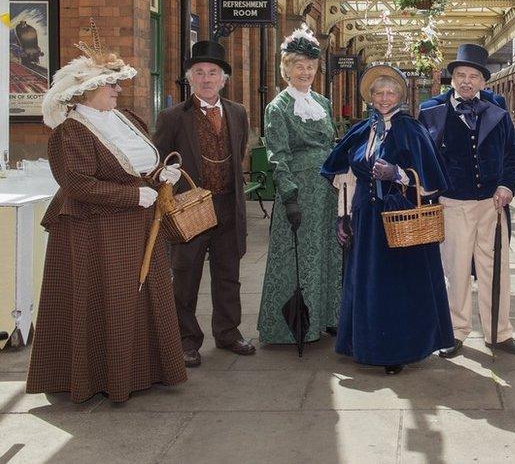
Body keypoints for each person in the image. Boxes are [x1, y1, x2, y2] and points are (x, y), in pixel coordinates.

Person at [27, 23, 186, 402]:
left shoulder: (125, 118)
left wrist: (160, 175)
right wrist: (135, 198)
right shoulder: (71, 131)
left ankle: (143, 370)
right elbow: (78, 183)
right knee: (109, 299)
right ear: (86, 91)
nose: (118, 89)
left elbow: (136, 165)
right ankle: (101, 377)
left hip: (137, 226)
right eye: (110, 84)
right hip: (94, 231)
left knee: (140, 297)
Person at [321, 65, 454, 375]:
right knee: (366, 284)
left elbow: (432, 178)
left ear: (400, 96)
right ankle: (365, 344)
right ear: (370, 96)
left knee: (398, 287)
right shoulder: (361, 129)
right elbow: (346, 176)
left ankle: (398, 350)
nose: (383, 98)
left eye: (390, 92)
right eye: (378, 92)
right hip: (367, 220)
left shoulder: (411, 129)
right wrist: (344, 218)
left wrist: (398, 174)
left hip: (400, 220)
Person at [418, 43, 515, 358]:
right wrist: (430, 189)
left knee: (497, 269)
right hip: (452, 204)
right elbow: (424, 156)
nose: (467, 81)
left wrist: (507, 185)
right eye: (461, 75)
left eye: (473, 76)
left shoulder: (498, 107)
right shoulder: (432, 110)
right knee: (455, 270)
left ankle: (499, 333)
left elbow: (512, 153)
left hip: (492, 204)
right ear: (452, 78)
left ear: (482, 81)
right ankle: (454, 331)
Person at [154, 41, 254, 368]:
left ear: (224, 79)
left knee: (228, 274)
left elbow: (238, 155)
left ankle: (227, 333)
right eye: (199, 73)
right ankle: (186, 340)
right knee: (185, 275)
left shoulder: (238, 112)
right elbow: (159, 162)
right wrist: (165, 177)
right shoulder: (172, 117)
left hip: (227, 205)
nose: (207, 78)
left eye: (213, 73)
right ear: (189, 79)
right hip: (189, 209)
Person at [257, 26, 342, 345]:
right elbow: (277, 154)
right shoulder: (277, 107)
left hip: (328, 191)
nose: (305, 72)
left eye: (310, 66)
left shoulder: (322, 102)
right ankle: (296, 325)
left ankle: (327, 317)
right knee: (300, 255)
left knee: (327, 251)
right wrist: (289, 196)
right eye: (298, 66)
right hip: (301, 193)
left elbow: (332, 141)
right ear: (286, 69)